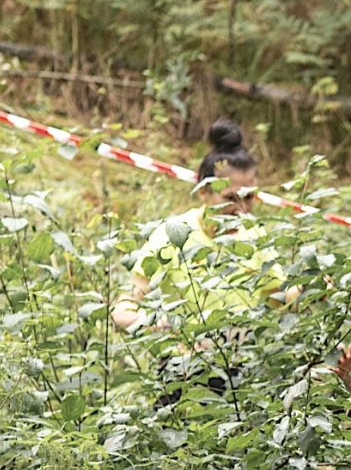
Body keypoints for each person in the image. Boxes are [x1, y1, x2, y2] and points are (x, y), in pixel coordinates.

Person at [111, 120, 351, 395]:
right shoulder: (172, 235)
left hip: (244, 373)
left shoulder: (255, 236)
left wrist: (312, 290)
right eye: (231, 197)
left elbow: (280, 300)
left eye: (250, 197)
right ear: (203, 192)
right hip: (184, 372)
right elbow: (123, 309)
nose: (242, 208)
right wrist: (162, 325)